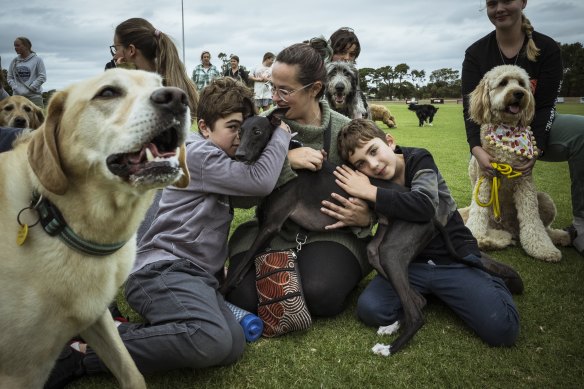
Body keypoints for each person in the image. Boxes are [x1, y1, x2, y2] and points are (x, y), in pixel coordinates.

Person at [45, 77, 292, 387]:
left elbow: (250, 190)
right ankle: (82, 356)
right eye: (232, 128)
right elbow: (259, 182)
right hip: (161, 271)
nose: (239, 138)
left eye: (243, 129)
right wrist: (282, 138)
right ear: (204, 127)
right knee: (211, 339)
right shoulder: (199, 153)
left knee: (231, 343)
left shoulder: (216, 155)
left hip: (194, 276)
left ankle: (117, 333)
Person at [335, 118, 520, 347]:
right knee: (371, 309)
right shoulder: (370, 180)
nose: (372, 164)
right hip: (411, 265)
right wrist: (365, 216)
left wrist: (370, 192)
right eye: (361, 163)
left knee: (502, 329)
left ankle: (489, 276)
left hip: (452, 259)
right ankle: (427, 295)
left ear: (389, 142)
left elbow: (424, 206)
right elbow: (382, 219)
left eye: (374, 151)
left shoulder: (419, 159)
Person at [226, 38, 375, 318]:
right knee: (242, 295)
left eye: (285, 90)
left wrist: (368, 216)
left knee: (321, 294)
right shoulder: (262, 127)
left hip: (332, 234)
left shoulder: (347, 130)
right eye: (272, 87)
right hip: (273, 231)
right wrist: (285, 162)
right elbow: (240, 198)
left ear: (315, 89)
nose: (275, 97)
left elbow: (383, 179)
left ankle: (330, 269)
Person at [462, 0, 584, 256]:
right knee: (484, 176)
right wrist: (476, 148)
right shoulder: (476, 52)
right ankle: (477, 225)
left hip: (534, 127)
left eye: (506, 0)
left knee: (581, 130)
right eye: (492, 3)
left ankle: (581, 227)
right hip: (492, 134)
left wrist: (534, 148)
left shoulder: (547, 47)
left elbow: (545, 106)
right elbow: (470, 110)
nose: (499, 8)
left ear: (523, 2)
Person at [110, 17, 199, 120]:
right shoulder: (174, 83)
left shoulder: (152, 95)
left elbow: (121, 121)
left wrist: (124, 74)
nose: (114, 56)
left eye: (116, 49)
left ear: (131, 50)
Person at [7, 37, 46, 108]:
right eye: (14, 46)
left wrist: (32, 88)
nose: (15, 48)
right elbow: (10, 77)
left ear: (26, 46)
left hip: (34, 97)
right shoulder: (14, 61)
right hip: (17, 98)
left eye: (17, 45)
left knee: (39, 118)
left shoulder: (37, 60)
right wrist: (15, 88)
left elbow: (42, 76)